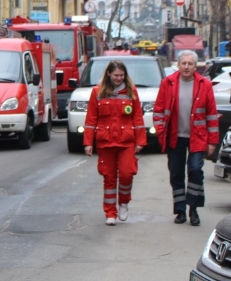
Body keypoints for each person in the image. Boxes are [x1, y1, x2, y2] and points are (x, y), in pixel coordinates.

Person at [153, 50, 218, 226]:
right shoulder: (168, 83)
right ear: (179, 65)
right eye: (184, 63)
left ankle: (193, 208)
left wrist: (212, 141)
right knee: (176, 173)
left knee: (195, 170)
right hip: (175, 136)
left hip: (197, 137)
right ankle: (180, 210)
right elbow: (158, 111)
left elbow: (212, 115)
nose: (187, 67)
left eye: (190, 64)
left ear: (195, 66)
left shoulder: (204, 84)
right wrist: (161, 132)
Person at [83, 60, 146, 226]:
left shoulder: (131, 92)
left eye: (122, 75)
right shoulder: (98, 92)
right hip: (106, 141)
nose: (119, 78)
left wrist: (140, 140)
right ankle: (110, 212)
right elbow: (91, 119)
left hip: (126, 141)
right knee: (109, 177)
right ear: (109, 74)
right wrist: (88, 142)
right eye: (116, 75)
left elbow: (137, 118)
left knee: (127, 173)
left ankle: (124, 202)